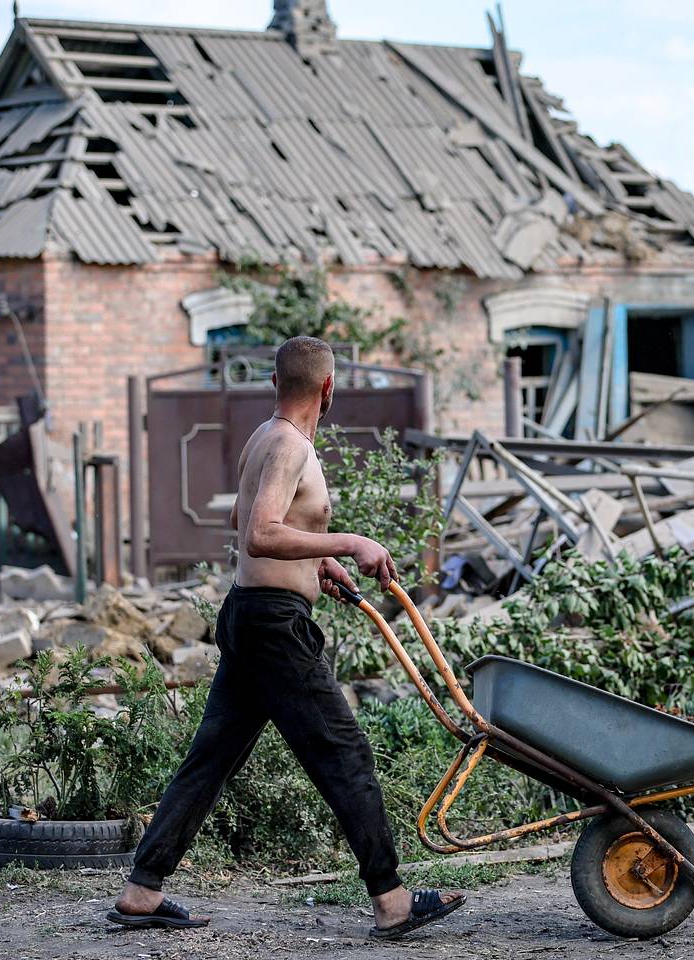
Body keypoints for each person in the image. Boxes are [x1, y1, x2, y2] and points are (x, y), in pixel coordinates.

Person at [107, 336, 464, 940]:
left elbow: (241, 518)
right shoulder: (291, 446)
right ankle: (393, 901)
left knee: (211, 757)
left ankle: (143, 889)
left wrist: (315, 564)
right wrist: (347, 543)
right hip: (274, 628)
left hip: (251, 615)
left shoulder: (264, 438)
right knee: (345, 753)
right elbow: (260, 534)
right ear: (329, 389)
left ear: (276, 385)